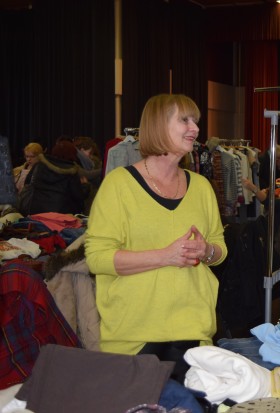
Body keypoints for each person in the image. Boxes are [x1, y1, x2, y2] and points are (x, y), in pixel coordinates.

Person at [85, 94, 228, 383]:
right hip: (135, 339)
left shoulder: (200, 187)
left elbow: (220, 250)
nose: (195, 129)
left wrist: (206, 250)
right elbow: (97, 258)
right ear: (158, 125)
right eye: (185, 120)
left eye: (195, 121)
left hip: (194, 335)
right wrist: (166, 256)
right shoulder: (119, 185)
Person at [17, 140, 90, 216]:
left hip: (36, 213)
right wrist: (85, 186)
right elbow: (78, 196)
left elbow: (27, 183)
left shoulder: (40, 165)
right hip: (61, 215)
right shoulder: (71, 172)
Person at [73, 136, 103, 214]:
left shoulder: (91, 162)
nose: (90, 155)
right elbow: (87, 175)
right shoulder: (74, 161)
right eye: (89, 152)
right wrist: (105, 168)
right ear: (82, 150)